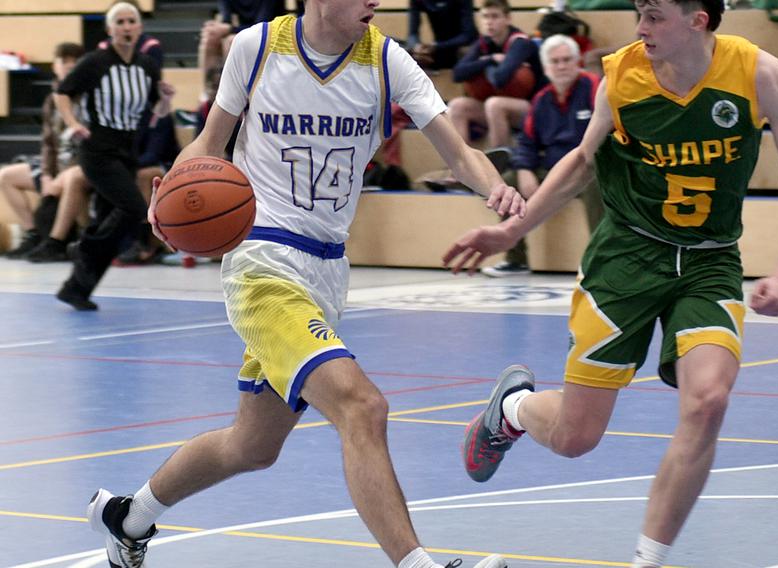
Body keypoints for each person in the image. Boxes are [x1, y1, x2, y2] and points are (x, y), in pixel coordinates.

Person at [85, 3, 524, 568]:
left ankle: (129, 517)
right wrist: (173, 190)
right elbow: (210, 144)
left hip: (326, 272)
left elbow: (459, 152)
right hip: (261, 261)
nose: (376, 3)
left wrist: (496, 190)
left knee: (253, 445)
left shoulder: (389, 61)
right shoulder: (257, 47)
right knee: (363, 407)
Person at [444, 0, 778, 565]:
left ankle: (647, 560)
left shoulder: (757, 74)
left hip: (708, 262)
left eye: (654, 17)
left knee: (709, 401)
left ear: (698, 19)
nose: (639, 28)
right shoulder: (622, 76)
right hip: (626, 258)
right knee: (577, 438)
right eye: (638, 14)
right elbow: (581, 162)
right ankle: (514, 410)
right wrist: (511, 231)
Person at [53, 2, 174, 311]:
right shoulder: (95, 62)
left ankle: (76, 289)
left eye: (131, 21)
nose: (126, 26)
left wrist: (166, 101)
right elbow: (62, 92)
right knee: (134, 209)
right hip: (97, 150)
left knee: (108, 220)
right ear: (110, 30)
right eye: (119, 22)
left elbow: (155, 113)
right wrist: (74, 124)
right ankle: (85, 247)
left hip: (127, 150)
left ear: (139, 28)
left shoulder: (147, 66)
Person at [482, 34, 603, 277]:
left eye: (567, 60)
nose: (561, 66)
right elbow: (527, 143)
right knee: (509, 182)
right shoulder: (541, 99)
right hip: (552, 169)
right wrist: (524, 170)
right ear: (546, 67)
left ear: (578, 61)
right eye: (555, 61)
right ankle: (516, 259)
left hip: (590, 168)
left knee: (597, 181)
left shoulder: (594, 87)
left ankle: (599, 262)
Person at [0, 42, 85, 260]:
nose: (69, 66)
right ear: (55, 66)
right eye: (63, 61)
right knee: (6, 176)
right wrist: (47, 175)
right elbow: (48, 143)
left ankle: (55, 242)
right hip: (56, 164)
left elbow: (88, 143)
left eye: (74, 62)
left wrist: (63, 174)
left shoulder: (88, 96)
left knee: (72, 180)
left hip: (80, 164)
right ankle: (33, 234)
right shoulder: (51, 99)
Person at [448, 0, 545, 148]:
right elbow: (457, 74)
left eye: (495, 16)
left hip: (534, 108)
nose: (489, 22)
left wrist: (482, 64)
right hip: (501, 106)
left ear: (507, 19)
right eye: (485, 17)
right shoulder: (484, 43)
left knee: (494, 104)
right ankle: (461, 165)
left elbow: (500, 79)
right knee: (456, 106)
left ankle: (500, 166)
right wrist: (490, 60)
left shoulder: (521, 43)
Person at [406, 0, 478, 70]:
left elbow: (468, 35)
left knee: (466, 52)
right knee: (402, 51)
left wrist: (437, 46)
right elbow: (413, 33)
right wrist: (416, 47)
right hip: (438, 50)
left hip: (461, 47)